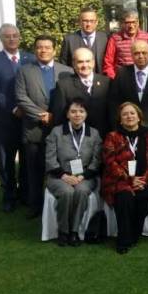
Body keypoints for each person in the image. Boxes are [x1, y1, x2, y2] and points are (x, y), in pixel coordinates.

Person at [15, 35, 73, 219]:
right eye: (40, 47)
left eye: (48, 47)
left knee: (61, 168)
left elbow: (71, 97)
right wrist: (43, 115)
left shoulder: (67, 71)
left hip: (60, 128)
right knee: (34, 170)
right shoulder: (24, 71)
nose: (43, 50)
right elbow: (21, 97)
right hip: (34, 129)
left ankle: (62, 205)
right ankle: (35, 206)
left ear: (54, 50)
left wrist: (55, 116)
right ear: (35, 50)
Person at [0, 24, 35, 212]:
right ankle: (9, 196)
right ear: (1, 39)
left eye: (14, 35)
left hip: (27, 120)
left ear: (20, 37)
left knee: (27, 159)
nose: (11, 39)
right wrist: (13, 108)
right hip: (4, 120)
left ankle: (25, 194)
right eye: (7, 36)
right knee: (6, 161)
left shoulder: (30, 59)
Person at [102, 102, 148, 254]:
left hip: (144, 179)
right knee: (124, 197)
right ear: (120, 120)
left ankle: (134, 232)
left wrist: (144, 179)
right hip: (119, 180)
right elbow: (110, 161)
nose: (129, 116)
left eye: (132, 113)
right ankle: (123, 240)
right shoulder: (112, 136)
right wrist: (129, 179)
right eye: (125, 114)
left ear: (139, 117)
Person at [44, 98, 102, 246]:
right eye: (73, 111)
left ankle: (74, 232)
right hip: (59, 176)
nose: (77, 114)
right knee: (67, 192)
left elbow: (97, 160)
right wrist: (64, 176)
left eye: (81, 111)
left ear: (86, 114)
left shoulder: (94, 133)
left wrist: (83, 176)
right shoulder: (56, 132)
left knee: (81, 191)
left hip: (85, 177)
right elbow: (50, 158)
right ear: (67, 114)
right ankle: (63, 231)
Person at [51, 47, 111, 137]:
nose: (85, 65)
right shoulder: (63, 85)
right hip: (76, 138)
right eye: (80, 62)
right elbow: (59, 116)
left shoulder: (107, 82)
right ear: (74, 64)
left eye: (88, 61)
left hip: (103, 136)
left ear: (93, 62)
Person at [102, 10, 148, 79]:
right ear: (122, 23)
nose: (131, 26)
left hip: (143, 78)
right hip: (122, 78)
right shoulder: (115, 38)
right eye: (128, 23)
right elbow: (108, 62)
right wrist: (114, 78)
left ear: (138, 22)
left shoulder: (147, 38)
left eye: (133, 22)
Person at [58, 6, 108, 72]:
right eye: (85, 21)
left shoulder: (105, 38)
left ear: (97, 22)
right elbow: (63, 63)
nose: (89, 24)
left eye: (92, 21)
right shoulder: (69, 40)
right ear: (79, 22)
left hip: (100, 77)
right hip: (76, 77)